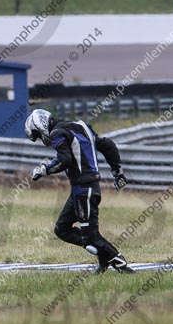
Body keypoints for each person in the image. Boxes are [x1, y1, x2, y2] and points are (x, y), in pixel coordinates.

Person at [24, 109, 134, 273]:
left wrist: (44, 169)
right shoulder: (80, 126)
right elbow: (108, 145)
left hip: (84, 189)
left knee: (91, 237)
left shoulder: (57, 134)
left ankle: (122, 266)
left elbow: (65, 159)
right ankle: (102, 258)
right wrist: (118, 173)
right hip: (82, 188)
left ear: (40, 125)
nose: (41, 139)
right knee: (62, 229)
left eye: (38, 135)